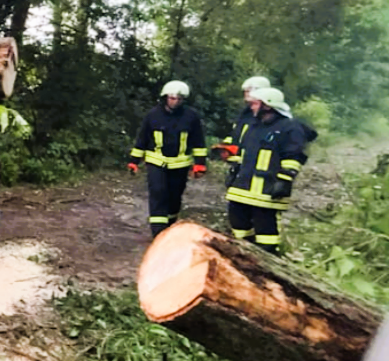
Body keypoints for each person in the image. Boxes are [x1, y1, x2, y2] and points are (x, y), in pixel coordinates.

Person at [223, 87, 307, 254]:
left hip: (268, 190)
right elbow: (243, 151)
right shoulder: (253, 126)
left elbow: (293, 156)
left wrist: (285, 179)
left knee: (266, 228)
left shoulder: (289, 128)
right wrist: (234, 170)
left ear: (267, 106)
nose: (251, 107)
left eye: (255, 103)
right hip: (243, 186)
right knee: (237, 221)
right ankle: (243, 254)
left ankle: (268, 259)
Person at [128, 80, 208, 237]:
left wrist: (200, 164)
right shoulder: (153, 115)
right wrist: (134, 161)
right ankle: (158, 234)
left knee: (174, 198)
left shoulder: (191, 117)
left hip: (180, 164)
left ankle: (170, 226)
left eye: (179, 99)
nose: (175, 102)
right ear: (165, 97)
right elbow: (142, 139)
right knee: (158, 193)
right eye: (172, 98)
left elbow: (198, 142)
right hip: (156, 161)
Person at [213, 76, 271, 163]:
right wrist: (226, 147)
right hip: (239, 166)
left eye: (249, 90)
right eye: (245, 90)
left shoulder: (268, 117)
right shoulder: (245, 114)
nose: (246, 93)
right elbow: (236, 134)